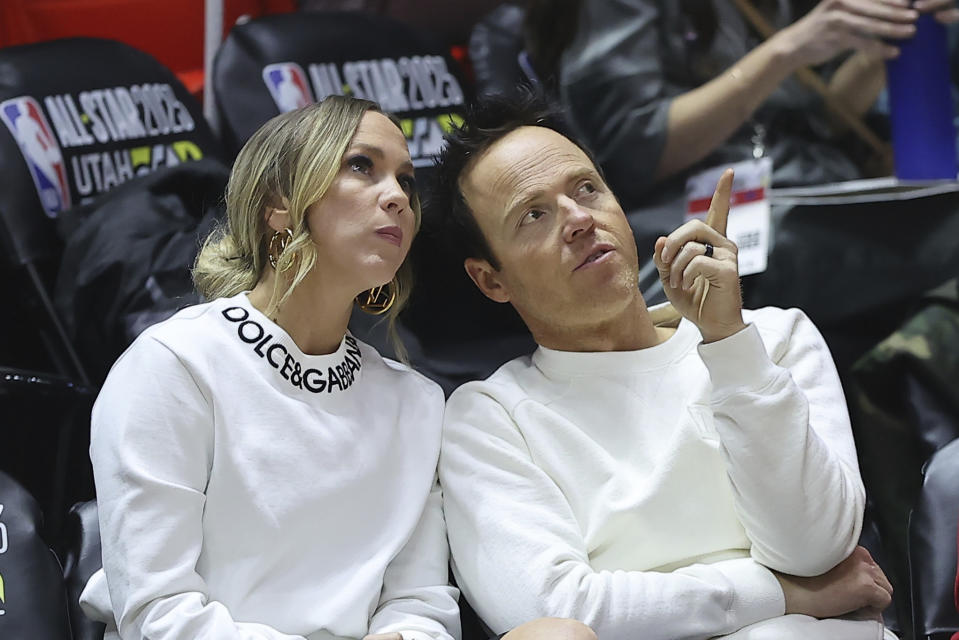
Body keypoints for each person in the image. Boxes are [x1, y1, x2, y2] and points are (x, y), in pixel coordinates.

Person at [76, 95, 593, 640]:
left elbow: (422, 604)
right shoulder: (175, 366)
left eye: (407, 181)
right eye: (361, 166)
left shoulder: (414, 401)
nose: (396, 197)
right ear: (278, 204)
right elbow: (157, 614)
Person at [433, 94, 896, 639]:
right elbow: (553, 613)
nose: (579, 219)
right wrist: (785, 595)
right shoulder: (490, 418)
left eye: (587, 190)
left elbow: (815, 546)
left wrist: (728, 344)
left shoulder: (774, 338)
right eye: (534, 215)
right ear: (492, 279)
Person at [523, 0, 959, 216]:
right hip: (697, 223)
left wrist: (882, 39)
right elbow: (629, 151)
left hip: (807, 190)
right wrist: (786, 50)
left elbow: (819, 123)